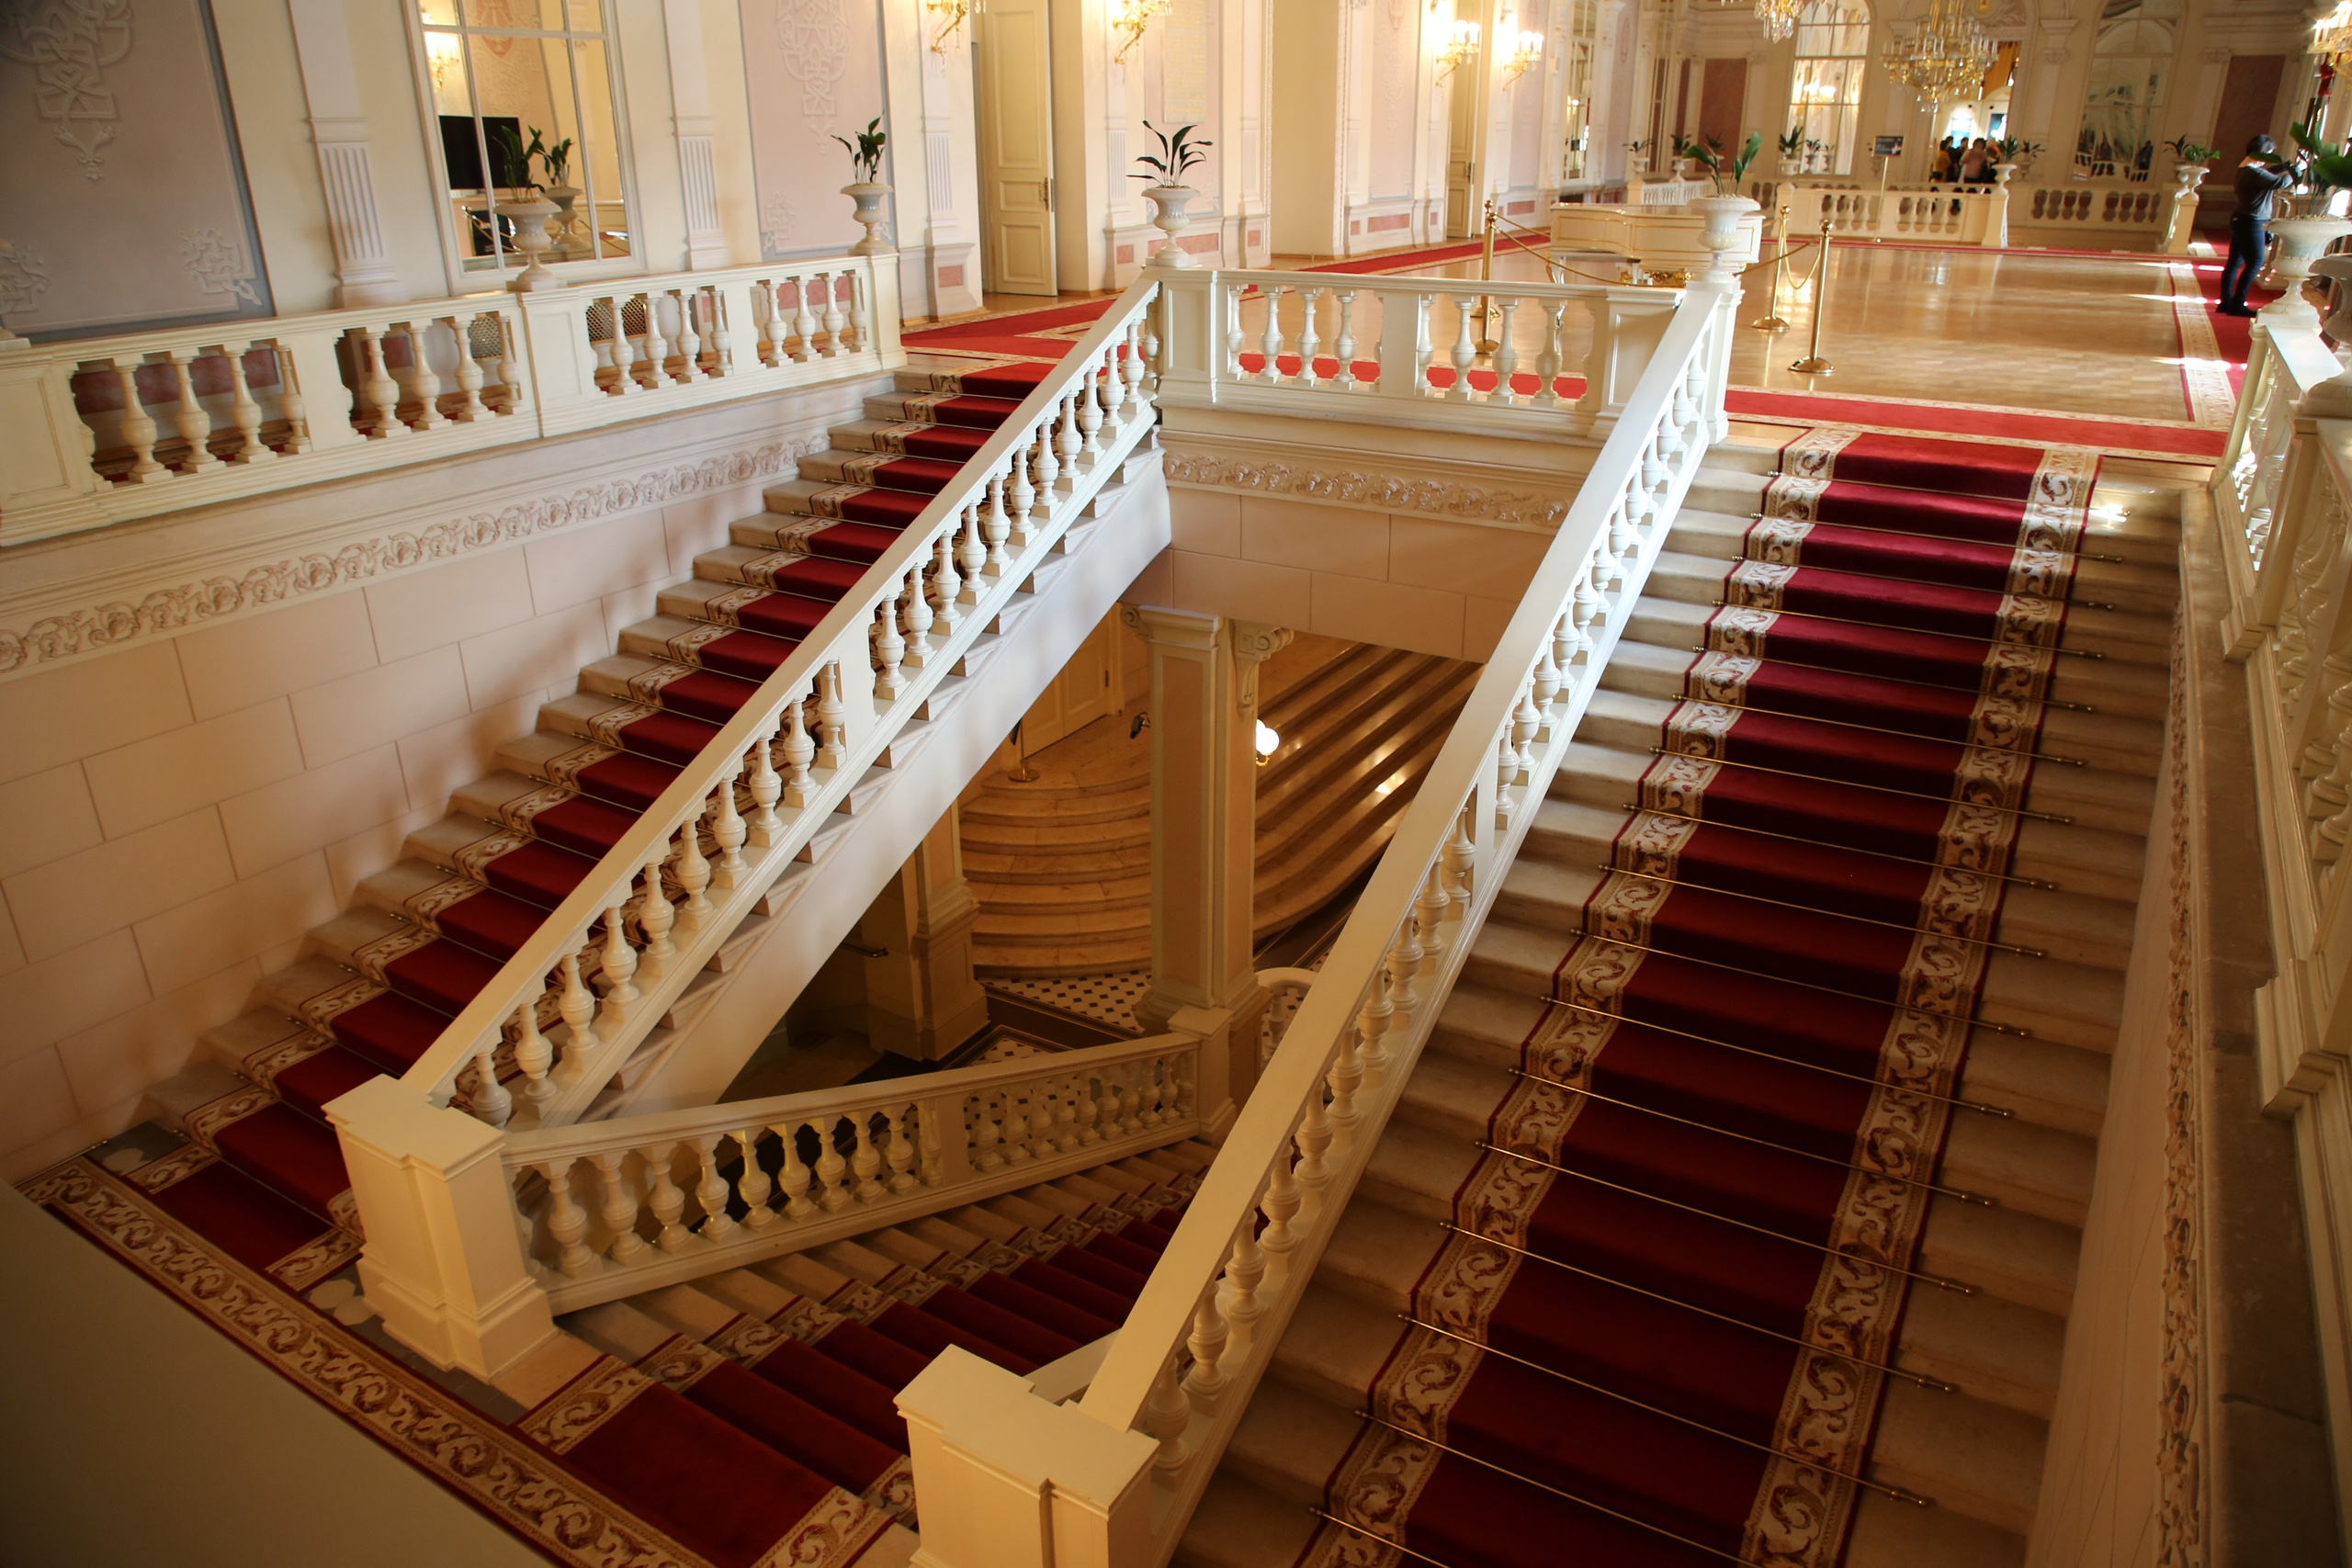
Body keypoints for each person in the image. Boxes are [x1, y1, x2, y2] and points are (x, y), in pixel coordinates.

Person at [2221, 134, 2294, 316]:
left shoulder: (2245, 169)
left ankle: (2226, 301)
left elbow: (2269, 173)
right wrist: (2297, 170)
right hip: (2252, 221)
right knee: (2256, 261)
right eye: (2269, 154)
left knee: (2234, 263)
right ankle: (2237, 303)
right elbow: (2280, 182)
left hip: (2241, 219)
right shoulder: (2254, 173)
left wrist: (2286, 166)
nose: (2269, 159)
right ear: (2262, 153)